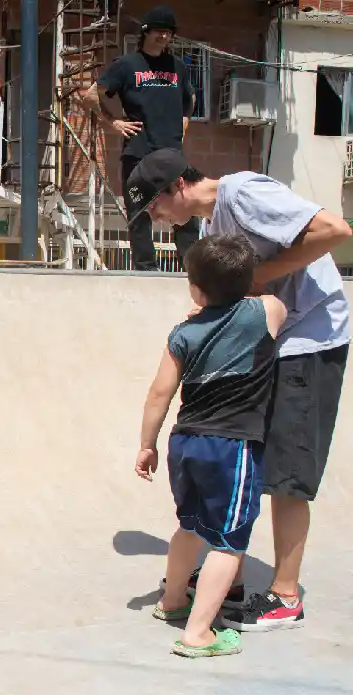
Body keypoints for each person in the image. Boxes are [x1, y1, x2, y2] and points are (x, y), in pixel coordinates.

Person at [127, 147, 352, 632]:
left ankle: (285, 596)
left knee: (288, 472)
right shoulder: (212, 229)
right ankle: (225, 578)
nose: (158, 219)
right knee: (250, 456)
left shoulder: (244, 193)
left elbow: (335, 230)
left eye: (154, 207)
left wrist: (261, 277)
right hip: (272, 345)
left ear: (176, 187)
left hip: (310, 337)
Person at [135, 234, 287, 658]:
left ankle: (171, 601)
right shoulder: (263, 313)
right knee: (229, 542)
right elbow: (277, 304)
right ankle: (198, 633)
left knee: (189, 525)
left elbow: (158, 395)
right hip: (232, 447)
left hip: (184, 444)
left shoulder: (183, 332)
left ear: (195, 287)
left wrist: (147, 445)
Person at [79, 5, 197, 271]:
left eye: (168, 33)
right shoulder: (126, 65)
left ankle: (193, 270)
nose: (163, 37)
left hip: (171, 154)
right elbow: (90, 96)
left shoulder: (177, 67)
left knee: (187, 211)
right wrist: (114, 122)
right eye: (158, 31)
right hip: (139, 152)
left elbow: (190, 100)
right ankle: (146, 270)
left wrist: (184, 123)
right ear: (145, 32)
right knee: (139, 213)